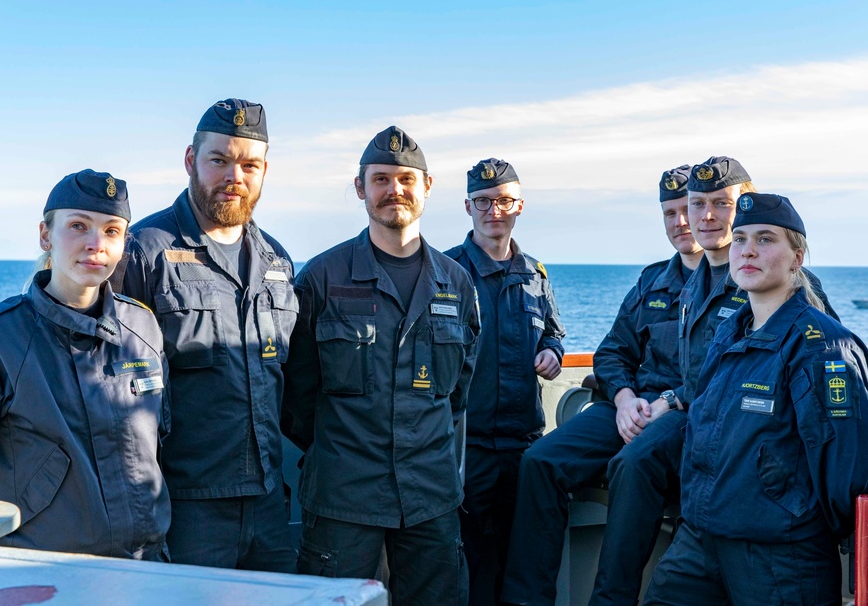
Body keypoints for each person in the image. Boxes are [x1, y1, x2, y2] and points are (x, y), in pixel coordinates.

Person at [643, 193, 868, 605]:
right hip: (702, 537)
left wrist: (792, 520)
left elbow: (847, 464)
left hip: (779, 555)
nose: (748, 250)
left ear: (797, 257)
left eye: (765, 239)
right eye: (739, 239)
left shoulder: (820, 344)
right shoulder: (730, 331)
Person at [284, 126, 480, 605]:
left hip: (430, 498)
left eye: (407, 179)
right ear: (360, 188)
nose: (395, 190)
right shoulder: (322, 279)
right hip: (343, 499)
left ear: (427, 187)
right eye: (381, 179)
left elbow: (457, 391)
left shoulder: (456, 284)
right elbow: (295, 394)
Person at [500, 165, 703, 606]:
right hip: (630, 406)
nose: (680, 222)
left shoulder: (741, 279)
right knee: (540, 461)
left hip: (687, 416)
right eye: (670, 213)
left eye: (688, 209)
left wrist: (666, 403)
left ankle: (610, 600)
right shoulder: (653, 281)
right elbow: (612, 352)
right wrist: (625, 397)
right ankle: (526, 600)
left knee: (633, 463)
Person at [120, 99, 299, 571]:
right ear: (190, 161)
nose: (233, 175)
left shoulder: (277, 262)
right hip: (184, 505)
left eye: (249, 164)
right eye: (218, 159)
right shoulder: (144, 251)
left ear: (264, 172)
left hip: (267, 502)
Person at [0, 170, 170, 559]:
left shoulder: (143, 328)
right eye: (78, 226)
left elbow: (159, 442)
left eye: (112, 231)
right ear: (46, 235)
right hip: (44, 566)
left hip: (146, 564)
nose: (96, 244)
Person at [444, 158, 566, 605]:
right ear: (468, 206)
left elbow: (552, 330)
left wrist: (552, 350)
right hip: (465, 446)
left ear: (519, 206)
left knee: (523, 566)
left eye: (504, 201)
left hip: (523, 445)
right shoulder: (446, 271)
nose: (494, 210)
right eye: (484, 201)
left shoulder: (535, 275)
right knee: (471, 565)